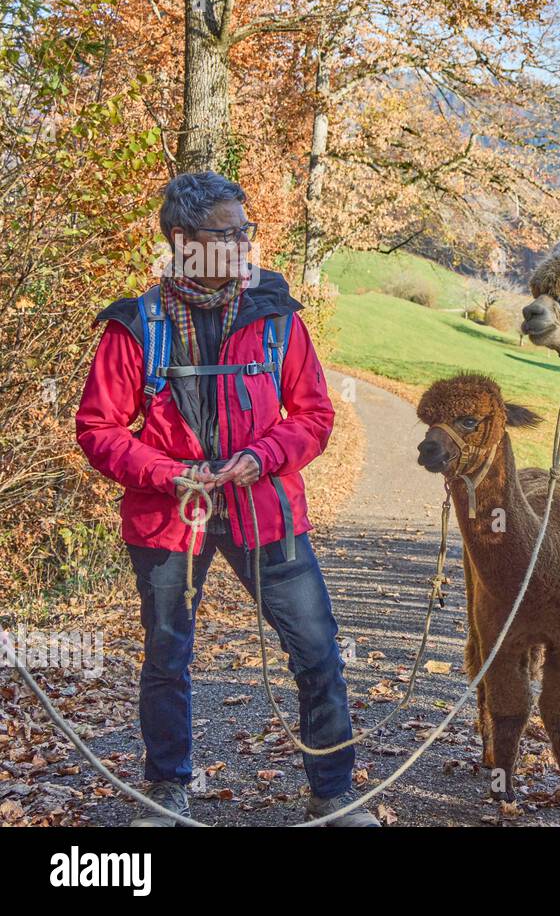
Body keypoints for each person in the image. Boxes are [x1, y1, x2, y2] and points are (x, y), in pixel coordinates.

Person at [75, 171, 377, 826]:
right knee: (166, 656)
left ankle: (333, 793)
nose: (245, 242)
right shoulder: (136, 326)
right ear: (184, 241)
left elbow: (315, 415)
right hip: (167, 520)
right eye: (229, 232)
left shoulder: (274, 315)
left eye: (248, 229)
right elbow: (97, 429)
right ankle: (167, 789)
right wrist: (167, 472)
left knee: (317, 648)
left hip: (265, 511)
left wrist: (260, 457)